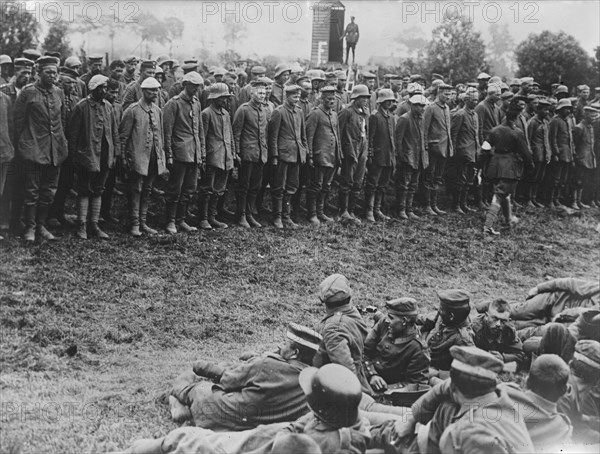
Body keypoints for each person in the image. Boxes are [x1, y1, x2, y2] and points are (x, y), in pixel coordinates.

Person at [117, 363, 370, 454]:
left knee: (183, 439)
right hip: (256, 435)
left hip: (246, 444)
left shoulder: (323, 439)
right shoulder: (354, 428)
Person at [370, 345, 534, 454]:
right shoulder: (502, 394)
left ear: (456, 388)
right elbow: (445, 387)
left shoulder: (468, 433)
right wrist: (411, 418)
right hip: (422, 434)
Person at [168, 323, 321, 430]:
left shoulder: (267, 365)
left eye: (285, 343)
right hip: (265, 425)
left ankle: (182, 405)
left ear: (295, 353)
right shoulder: (314, 381)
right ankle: (189, 410)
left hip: (229, 415)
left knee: (195, 386)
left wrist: (201, 367)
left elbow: (228, 380)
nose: (281, 346)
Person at [13, 56, 67, 242]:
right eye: (49, 72)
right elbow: (17, 122)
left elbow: (63, 120)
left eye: (55, 72)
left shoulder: (59, 93)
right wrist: (23, 147)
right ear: (39, 73)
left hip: (55, 151)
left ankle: (41, 226)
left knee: (49, 191)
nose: (53, 76)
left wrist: (62, 145)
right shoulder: (28, 93)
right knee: (31, 191)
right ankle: (30, 227)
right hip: (33, 150)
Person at [68, 75, 119, 240]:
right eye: (101, 88)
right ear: (93, 89)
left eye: (106, 88)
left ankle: (94, 225)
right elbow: (73, 136)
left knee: (99, 190)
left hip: (105, 156)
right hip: (87, 156)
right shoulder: (81, 107)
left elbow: (114, 132)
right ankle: (81, 225)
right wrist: (76, 157)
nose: (104, 91)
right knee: (84, 190)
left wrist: (115, 153)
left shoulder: (109, 107)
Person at [119, 77, 167, 237]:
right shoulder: (132, 110)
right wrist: (124, 158)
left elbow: (160, 135)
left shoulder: (158, 111)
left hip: (153, 158)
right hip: (138, 158)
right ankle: (134, 224)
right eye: (151, 90)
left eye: (156, 90)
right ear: (143, 91)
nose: (155, 93)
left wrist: (161, 156)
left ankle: (143, 222)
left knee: (147, 190)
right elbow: (123, 137)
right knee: (135, 190)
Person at [162, 71, 206, 234]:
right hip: (179, 153)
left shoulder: (196, 103)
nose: (196, 89)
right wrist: (169, 155)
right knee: (175, 189)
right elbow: (167, 131)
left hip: (193, 153)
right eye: (193, 86)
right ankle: (170, 221)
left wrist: (201, 153)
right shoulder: (174, 104)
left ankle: (181, 220)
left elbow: (199, 129)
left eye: (198, 86)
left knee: (190, 189)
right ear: (185, 85)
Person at [482, 99, 534, 236]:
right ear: (516, 117)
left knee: (504, 194)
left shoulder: (494, 130)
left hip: (494, 165)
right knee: (500, 195)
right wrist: (530, 165)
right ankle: (487, 226)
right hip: (509, 167)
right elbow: (526, 153)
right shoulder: (517, 133)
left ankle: (508, 220)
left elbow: (485, 147)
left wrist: (485, 161)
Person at [364, 298, 429, 390]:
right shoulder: (384, 323)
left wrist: (386, 388)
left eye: (391, 318)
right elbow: (365, 350)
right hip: (366, 373)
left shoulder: (418, 348)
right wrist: (372, 374)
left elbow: (416, 384)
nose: (386, 320)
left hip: (388, 389)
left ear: (404, 321)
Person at [504, 278, 600, 340]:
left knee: (521, 328)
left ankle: (499, 333)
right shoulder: (597, 288)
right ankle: (489, 307)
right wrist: (539, 288)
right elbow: (570, 283)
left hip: (559, 322)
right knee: (516, 311)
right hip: (554, 301)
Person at [267, 85, 308, 229]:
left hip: (296, 155)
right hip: (283, 155)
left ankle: (286, 216)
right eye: (294, 97)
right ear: (287, 96)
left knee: (292, 186)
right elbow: (273, 137)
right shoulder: (279, 112)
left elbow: (303, 135)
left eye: (298, 97)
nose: (296, 99)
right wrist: (274, 156)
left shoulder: (299, 112)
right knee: (279, 187)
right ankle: (277, 217)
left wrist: (304, 151)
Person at [47, 66, 81, 228]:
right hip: (55, 146)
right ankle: (49, 215)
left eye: (74, 83)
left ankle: (59, 212)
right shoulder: (55, 97)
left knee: (66, 182)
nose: (72, 86)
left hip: (70, 147)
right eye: (68, 83)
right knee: (53, 182)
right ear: (60, 82)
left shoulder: (75, 100)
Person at [232, 79, 269, 228]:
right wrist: (237, 153)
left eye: (264, 93)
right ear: (251, 93)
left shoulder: (263, 110)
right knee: (244, 185)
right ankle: (240, 215)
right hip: (247, 154)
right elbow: (236, 132)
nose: (262, 95)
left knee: (255, 186)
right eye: (259, 92)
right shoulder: (243, 109)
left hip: (260, 154)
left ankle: (249, 214)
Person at [199, 82, 235, 230]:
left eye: (227, 98)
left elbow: (230, 135)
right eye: (222, 98)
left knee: (219, 189)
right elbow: (203, 136)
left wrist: (233, 152)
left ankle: (212, 217)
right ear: (214, 98)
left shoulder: (226, 114)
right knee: (207, 188)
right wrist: (203, 157)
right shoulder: (206, 114)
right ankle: (203, 218)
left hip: (225, 157)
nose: (225, 101)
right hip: (212, 157)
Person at [305, 85, 341, 225]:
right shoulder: (315, 114)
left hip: (331, 156)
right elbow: (309, 136)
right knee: (316, 186)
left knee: (326, 186)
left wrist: (339, 155)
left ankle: (320, 212)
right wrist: (310, 156)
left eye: (333, 99)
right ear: (322, 99)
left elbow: (337, 136)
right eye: (328, 99)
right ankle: (312, 214)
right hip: (320, 156)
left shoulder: (334, 114)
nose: (331, 101)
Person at [422, 289, 474, 381]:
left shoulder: (463, 340)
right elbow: (426, 318)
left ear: (451, 316)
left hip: (439, 374)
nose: (438, 311)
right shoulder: (445, 319)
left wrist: (437, 375)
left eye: (441, 309)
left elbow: (471, 373)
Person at [338, 85, 370, 224]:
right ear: (355, 98)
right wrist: (342, 151)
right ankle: (343, 211)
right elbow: (338, 131)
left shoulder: (365, 112)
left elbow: (365, 132)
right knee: (347, 180)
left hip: (362, 149)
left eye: (367, 98)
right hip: (349, 150)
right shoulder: (347, 112)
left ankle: (351, 210)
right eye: (362, 97)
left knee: (358, 181)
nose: (365, 100)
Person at [558, 339, 600, 444]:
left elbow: (578, 423)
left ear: (570, 363)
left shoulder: (565, 387)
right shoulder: (564, 396)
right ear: (596, 381)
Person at [395, 94, 428, 220]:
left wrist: (425, 154)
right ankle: (401, 209)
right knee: (404, 185)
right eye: (419, 106)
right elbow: (398, 140)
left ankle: (409, 209)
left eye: (423, 106)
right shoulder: (404, 119)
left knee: (413, 184)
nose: (422, 108)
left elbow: (424, 137)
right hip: (407, 157)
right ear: (413, 106)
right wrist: (401, 156)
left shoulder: (422, 119)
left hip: (419, 156)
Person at [365, 89, 396, 222]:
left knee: (383, 184)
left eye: (391, 100)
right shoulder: (374, 116)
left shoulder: (390, 116)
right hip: (378, 156)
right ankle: (369, 211)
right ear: (380, 101)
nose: (389, 103)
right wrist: (370, 155)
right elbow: (370, 137)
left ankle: (377, 209)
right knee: (372, 184)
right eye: (386, 100)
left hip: (388, 155)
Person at [423, 83, 453, 216]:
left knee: (438, 177)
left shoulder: (447, 108)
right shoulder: (431, 108)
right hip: (433, 148)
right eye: (445, 94)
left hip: (444, 148)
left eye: (449, 94)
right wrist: (425, 148)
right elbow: (424, 129)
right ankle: (427, 205)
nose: (448, 96)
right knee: (429, 177)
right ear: (439, 93)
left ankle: (434, 205)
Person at [449, 87, 479, 213]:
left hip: (473, 151)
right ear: (466, 100)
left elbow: (476, 133)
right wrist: (454, 152)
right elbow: (454, 134)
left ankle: (464, 203)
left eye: (477, 100)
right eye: (473, 100)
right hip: (462, 152)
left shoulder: (475, 114)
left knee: (469, 180)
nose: (475, 102)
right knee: (460, 180)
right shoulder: (460, 114)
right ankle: (456, 205)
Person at [471, 299, 524, 366]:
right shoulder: (474, 328)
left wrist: (504, 358)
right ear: (486, 316)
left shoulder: (509, 330)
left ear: (508, 321)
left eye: (503, 321)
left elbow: (521, 355)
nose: (498, 324)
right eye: (495, 319)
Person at [548, 98, 575, 208]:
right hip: (559, 155)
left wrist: (572, 154)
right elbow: (552, 138)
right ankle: (550, 200)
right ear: (560, 109)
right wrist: (555, 154)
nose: (568, 111)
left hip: (567, 154)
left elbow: (570, 139)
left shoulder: (567, 121)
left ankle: (557, 199)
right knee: (555, 179)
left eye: (569, 108)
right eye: (565, 108)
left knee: (562, 179)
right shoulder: (555, 121)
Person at [526, 98, 552, 208]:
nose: (547, 112)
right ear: (539, 110)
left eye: (548, 110)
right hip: (536, 154)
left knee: (539, 178)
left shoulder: (546, 122)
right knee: (533, 177)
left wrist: (548, 153)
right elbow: (528, 139)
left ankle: (534, 198)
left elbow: (547, 139)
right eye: (545, 110)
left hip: (544, 154)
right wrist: (530, 153)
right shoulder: (533, 122)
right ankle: (528, 199)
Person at [571, 105, 598, 209]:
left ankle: (579, 201)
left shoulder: (590, 127)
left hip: (588, 158)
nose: (594, 119)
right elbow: (574, 144)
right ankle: (573, 201)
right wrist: (575, 157)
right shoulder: (579, 127)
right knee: (576, 180)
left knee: (583, 180)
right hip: (580, 158)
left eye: (595, 117)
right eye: (592, 117)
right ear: (586, 115)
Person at [0, 92, 13, 240]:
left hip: (3, 151)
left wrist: (10, 146)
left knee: (1, 191)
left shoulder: (5, 99)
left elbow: (11, 125)